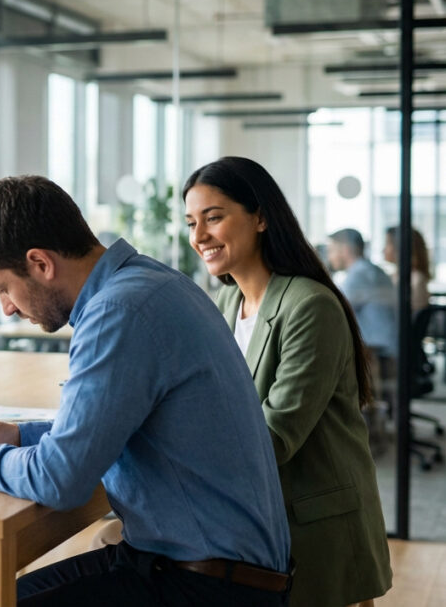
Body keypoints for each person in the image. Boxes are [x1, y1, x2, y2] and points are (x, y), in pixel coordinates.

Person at [0, 175, 291, 606]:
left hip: (208, 586)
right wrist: (20, 435)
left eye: (2, 288)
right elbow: (124, 422)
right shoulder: (150, 282)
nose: (6, 307)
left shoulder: (117, 312)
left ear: (40, 263)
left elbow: (60, 480)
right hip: (197, 564)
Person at [183, 156, 392, 607]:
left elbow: (274, 437)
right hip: (255, 518)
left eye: (214, 218)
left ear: (260, 216)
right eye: (191, 222)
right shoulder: (227, 300)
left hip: (315, 529)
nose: (199, 236)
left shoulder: (308, 306)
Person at [327, 228, 399, 357]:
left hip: (378, 351)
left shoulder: (360, 275)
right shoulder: (372, 270)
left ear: (345, 250)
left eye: (331, 251)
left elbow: (334, 309)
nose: (329, 257)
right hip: (385, 346)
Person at [383, 225, 433, 314]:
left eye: (387, 243)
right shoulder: (392, 276)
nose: (383, 249)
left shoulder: (416, 279)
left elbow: (410, 316)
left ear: (400, 247)